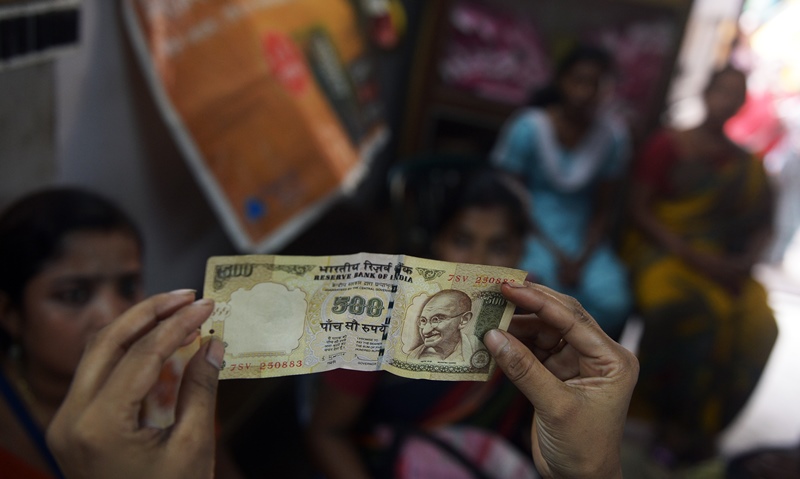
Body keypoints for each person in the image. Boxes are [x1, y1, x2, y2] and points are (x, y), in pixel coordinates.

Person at [46, 282, 639, 479]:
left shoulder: (509, 365)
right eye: (71, 294)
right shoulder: (366, 360)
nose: (108, 314)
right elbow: (328, 430)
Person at [307, 170, 537, 479]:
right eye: (462, 241)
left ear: (521, 251)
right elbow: (327, 434)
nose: (478, 264)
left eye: (498, 247)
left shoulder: (530, 317)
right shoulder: (378, 321)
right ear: (437, 242)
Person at [0, 188, 240, 478]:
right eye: (74, 295)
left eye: (127, 288)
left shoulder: (175, 375)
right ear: (10, 313)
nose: (112, 316)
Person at [624, 65, 779, 466]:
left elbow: (765, 223)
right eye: (721, 90)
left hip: (723, 264)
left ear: (742, 104)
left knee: (761, 325)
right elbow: (640, 210)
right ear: (705, 92)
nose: (726, 100)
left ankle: (702, 426)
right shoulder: (668, 145)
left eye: (735, 94)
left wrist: (746, 260)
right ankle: (650, 413)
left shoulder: (745, 164)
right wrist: (691, 255)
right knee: (681, 309)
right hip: (665, 252)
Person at [491, 44, 631, 339]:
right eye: (578, 80)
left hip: (581, 236)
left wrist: (581, 258)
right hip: (529, 227)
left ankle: (574, 362)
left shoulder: (612, 138)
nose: (584, 92)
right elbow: (505, 196)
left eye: (595, 84)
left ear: (608, 90)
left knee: (614, 301)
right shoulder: (528, 128)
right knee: (530, 290)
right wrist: (553, 252)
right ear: (561, 81)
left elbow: (604, 208)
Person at [408, 289, 483, 362]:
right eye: (423, 320)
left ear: (463, 320)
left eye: (437, 319)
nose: (425, 331)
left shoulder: (477, 349)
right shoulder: (413, 356)